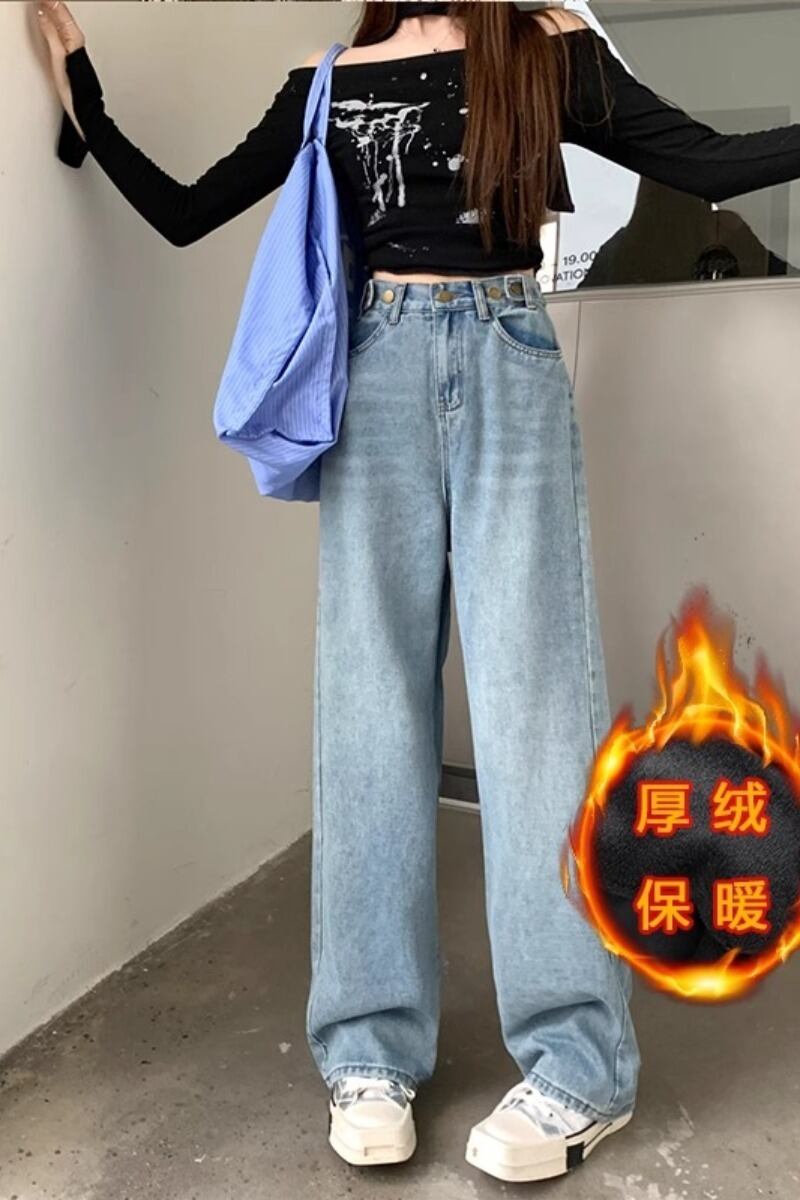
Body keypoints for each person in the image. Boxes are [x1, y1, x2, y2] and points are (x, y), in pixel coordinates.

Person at [35, 0, 800, 1184]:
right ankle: (368, 1048)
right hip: (376, 370)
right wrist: (83, 95)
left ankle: (579, 1066)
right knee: (368, 709)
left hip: (506, 356)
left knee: (535, 713)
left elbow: (707, 163)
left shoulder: (545, 52)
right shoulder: (331, 77)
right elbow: (189, 212)